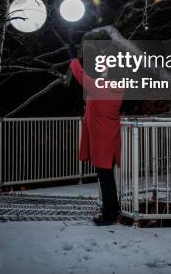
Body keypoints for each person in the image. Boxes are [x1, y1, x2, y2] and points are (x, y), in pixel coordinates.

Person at [68, 44, 123, 225]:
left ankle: (109, 216)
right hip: (110, 142)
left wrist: (73, 59)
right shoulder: (116, 87)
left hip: (101, 143)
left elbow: (80, 75)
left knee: (105, 180)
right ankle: (113, 210)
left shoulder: (100, 86)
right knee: (108, 179)